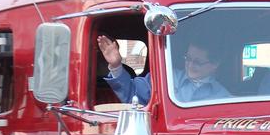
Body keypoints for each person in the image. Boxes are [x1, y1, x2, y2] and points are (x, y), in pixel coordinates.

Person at [97, 34, 230, 105]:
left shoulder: (223, 97)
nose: (190, 65)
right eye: (188, 58)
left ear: (215, 64)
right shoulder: (166, 77)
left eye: (197, 62)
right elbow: (132, 93)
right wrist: (115, 66)